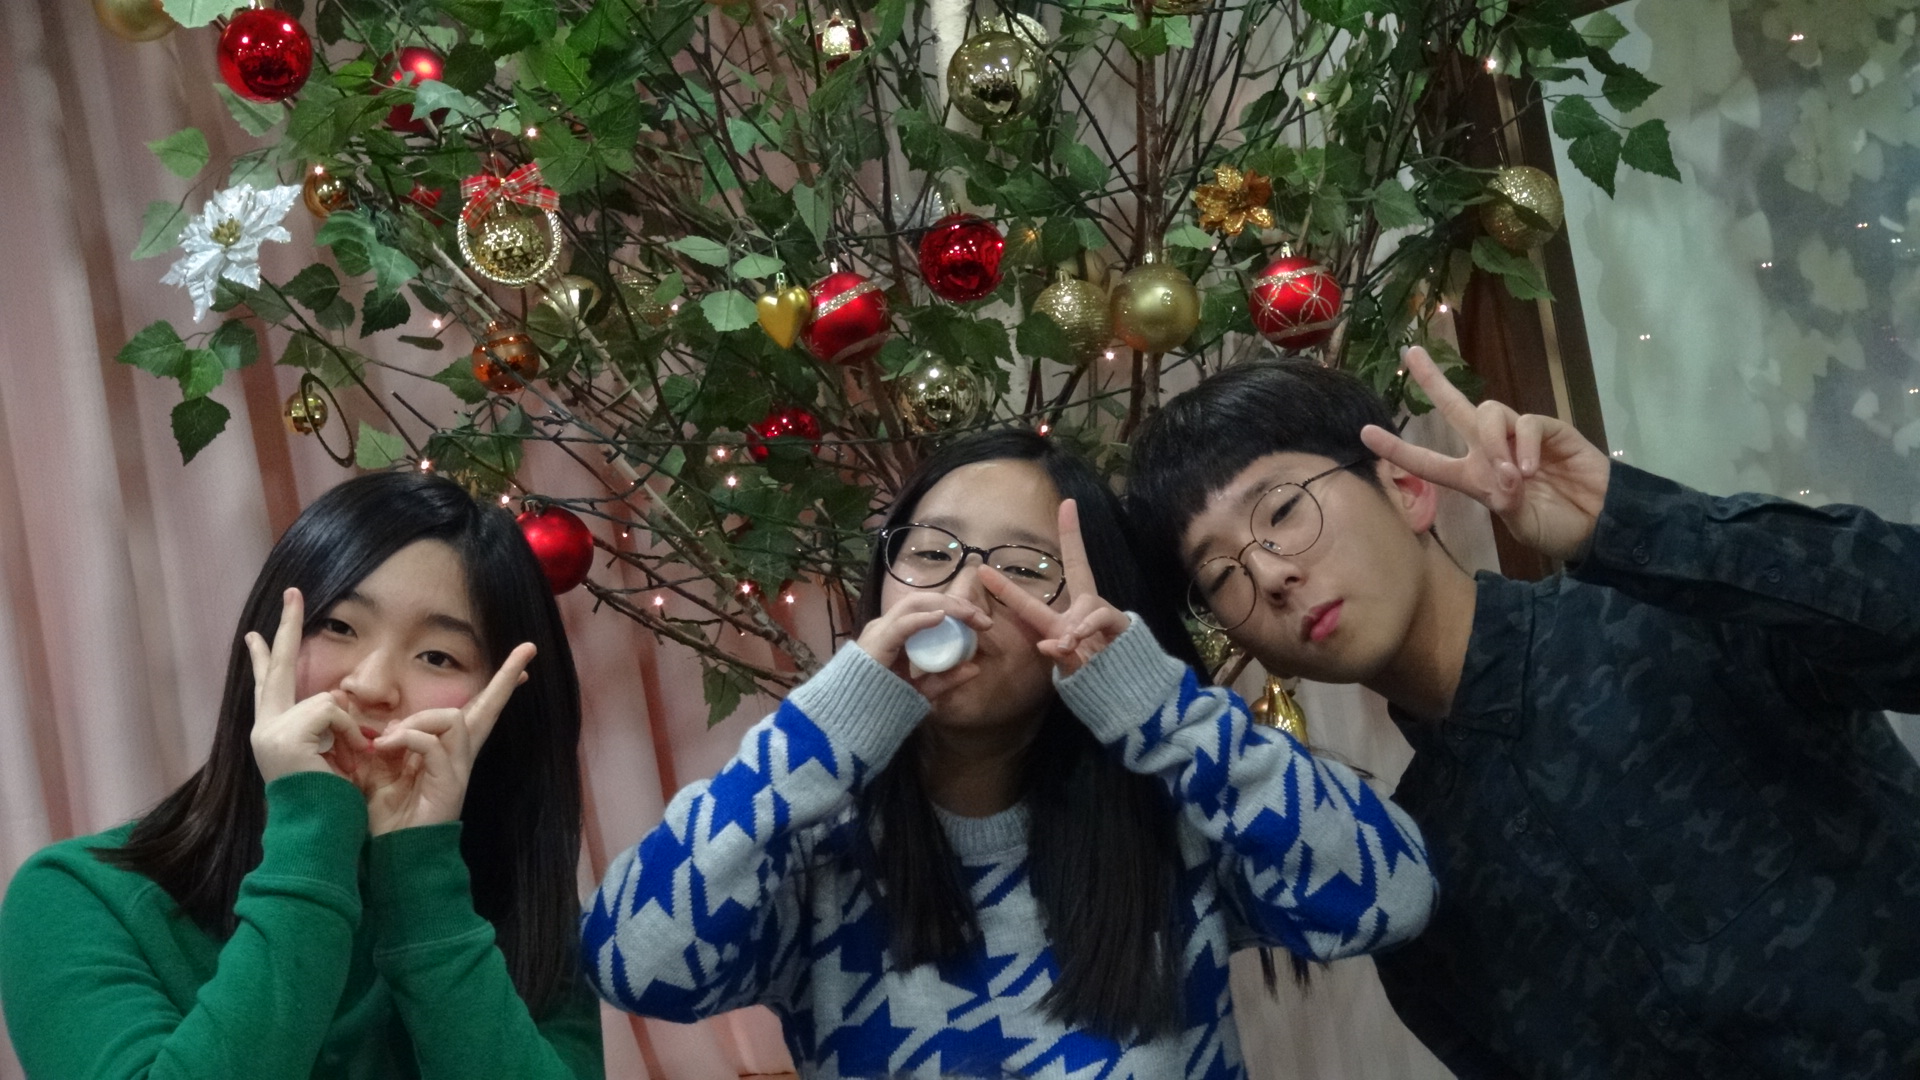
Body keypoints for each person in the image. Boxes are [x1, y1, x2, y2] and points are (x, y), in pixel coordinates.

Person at [1126, 347, 1920, 1079]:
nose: (1268, 575)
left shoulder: (1672, 615)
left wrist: (1630, 520)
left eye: (1281, 511)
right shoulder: (1413, 886)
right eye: (1221, 574)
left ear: (1405, 487)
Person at [581, 429, 1435, 1078]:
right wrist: (825, 732)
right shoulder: (808, 841)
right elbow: (632, 965)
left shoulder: (1175, 815)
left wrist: (1161, 712)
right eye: (931, 553)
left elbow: (1389, 898)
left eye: (1023, 568)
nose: (964, 594)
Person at [0, 471, 604, 1079]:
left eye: (437, 656)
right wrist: (313, 830)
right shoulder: (77, 898)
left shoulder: (526, 924)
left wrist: (422, 886)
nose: (371, 684)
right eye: (339, 626)